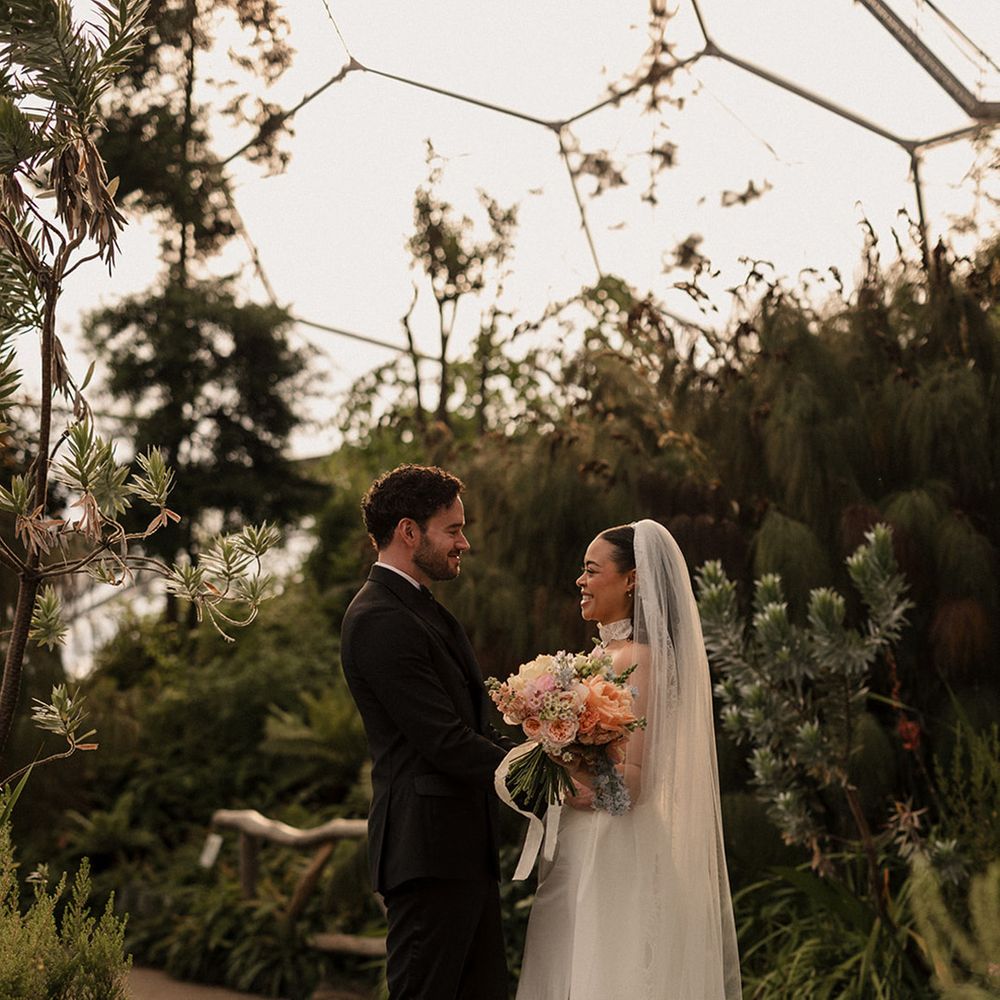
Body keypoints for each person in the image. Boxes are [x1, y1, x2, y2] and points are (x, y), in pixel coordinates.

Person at [514, 519, 742, 1000]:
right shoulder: (598, 657)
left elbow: (632, 781)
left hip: (613, 847)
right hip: (579, 843)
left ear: (631, 579)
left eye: (592, 570)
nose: (581, 580)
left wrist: (564, 777)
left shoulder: (639, 658)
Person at [340, 464, 511, 1000]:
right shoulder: (379, 617)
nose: (464, 543)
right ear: (409, 531)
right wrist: (540, 773)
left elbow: (471, 724)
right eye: (453, 529)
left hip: (462, 851)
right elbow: (442, 739)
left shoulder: (420, 608)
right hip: (428, 853)